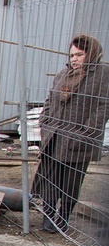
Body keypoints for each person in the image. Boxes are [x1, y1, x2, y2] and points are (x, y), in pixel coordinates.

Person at [33, 34, 109, 232]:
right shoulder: (63, 75)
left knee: (70, 182)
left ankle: (63, 217)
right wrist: (45, 121)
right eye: (72, 55)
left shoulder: (103, 75)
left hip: (79, 139)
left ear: (91, 54)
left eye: (80, 54)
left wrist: (86, 131)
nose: (74, 59)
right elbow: (50, 99)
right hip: (55, 136)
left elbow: (104, 107)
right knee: (50, 178)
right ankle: (48, 216)